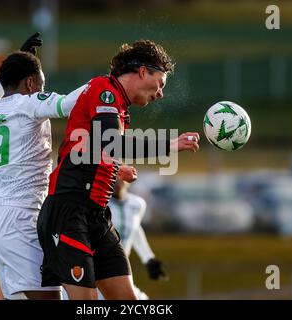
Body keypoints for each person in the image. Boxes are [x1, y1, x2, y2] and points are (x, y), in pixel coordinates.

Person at [37, 39, 200, 300]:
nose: (160, 93)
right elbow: (111, 142)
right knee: (87, 303)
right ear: (143, 71)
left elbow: (91, 146)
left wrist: (114, 168)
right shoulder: (105, 90)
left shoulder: (119, 106)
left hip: (97, 215)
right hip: (69, 210)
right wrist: (171, 144)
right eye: (160, 83)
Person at [0, 33, 86, 300]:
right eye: (40, 84)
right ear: (29, 82)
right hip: (20, 218)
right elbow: (71, 103)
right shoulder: (30, 103)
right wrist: (110, 82)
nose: (41, 89)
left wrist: (18, 58)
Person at [107, 178, 167, 300]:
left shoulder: (137, 204)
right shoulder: (101, 204)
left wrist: (148, 258)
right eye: (113, 178)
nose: (117, 182)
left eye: (120, 178)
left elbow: (135, 229)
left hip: (123, 266)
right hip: (101, 264)